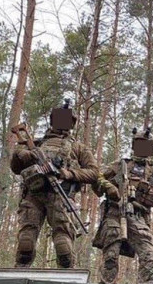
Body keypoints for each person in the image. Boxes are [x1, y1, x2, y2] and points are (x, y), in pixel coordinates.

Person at [10, 102, 99, 268]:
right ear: (52, 120)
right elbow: (16, 169)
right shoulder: (35, 143)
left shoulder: (78, 148)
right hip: (33, 195)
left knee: (63, 246)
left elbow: (94, 173)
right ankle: (19, 275)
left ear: (72, 123)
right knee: (25, 243)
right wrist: (20, 155)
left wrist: (68, 173)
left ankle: (66, 279)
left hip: (61, 196)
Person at [92, 128, 153, 284]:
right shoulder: (120, 165)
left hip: (139, 218)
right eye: (139, 145)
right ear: (133, 146)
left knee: (148, 254)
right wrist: (109, 187)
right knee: (111, 255)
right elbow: (96, 175)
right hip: (115, 214)